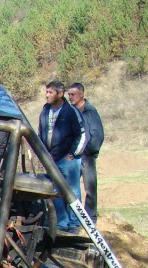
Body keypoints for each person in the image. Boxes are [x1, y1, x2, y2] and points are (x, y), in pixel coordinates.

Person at [38, 80, 86, 233]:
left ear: (60, 94)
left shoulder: (71, 112)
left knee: (72, 191)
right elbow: (41, 133)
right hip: (51, 159)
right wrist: (42, 154)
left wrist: (72, 154)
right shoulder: (45, 111)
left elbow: (82, 135)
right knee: (55, 191)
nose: (47, 95)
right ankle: (61, 223)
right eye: (46, 92)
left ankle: (75, 223)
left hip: (68, 159)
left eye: (50, 92)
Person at [67, 83, 104, 223]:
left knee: (90, 188)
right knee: (69, 187)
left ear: (81, 94)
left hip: (86, 156)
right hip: (72, 156)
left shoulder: (90, 112)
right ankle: (72, 218)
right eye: (69, 94)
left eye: (73, 94)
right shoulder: (71, 112)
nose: (70, 97)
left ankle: (91, 219)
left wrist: (88, 151)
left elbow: (97, 136)